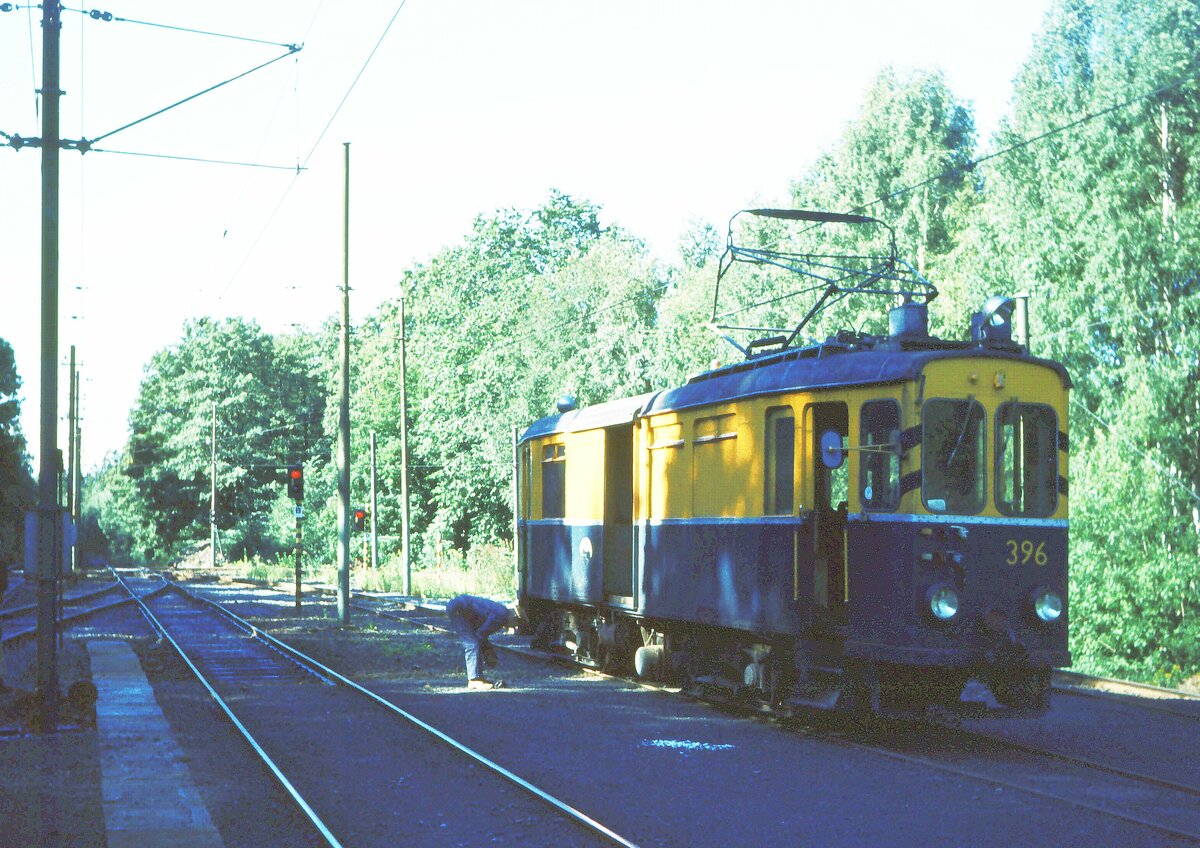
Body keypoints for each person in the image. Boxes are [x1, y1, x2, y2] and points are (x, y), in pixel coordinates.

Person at [445, 594, 518, 690]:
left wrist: (487, 650)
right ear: (514, 617)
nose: (516, 627)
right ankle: (474, 680)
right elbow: (481, 634)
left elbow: (481, 633)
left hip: (461, 608)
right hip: (459, 609)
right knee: (472, 644)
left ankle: (478, 677)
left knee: (474, 642)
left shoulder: (502, 612)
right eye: (517, 624)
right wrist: (488, 652)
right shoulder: (501, 617)